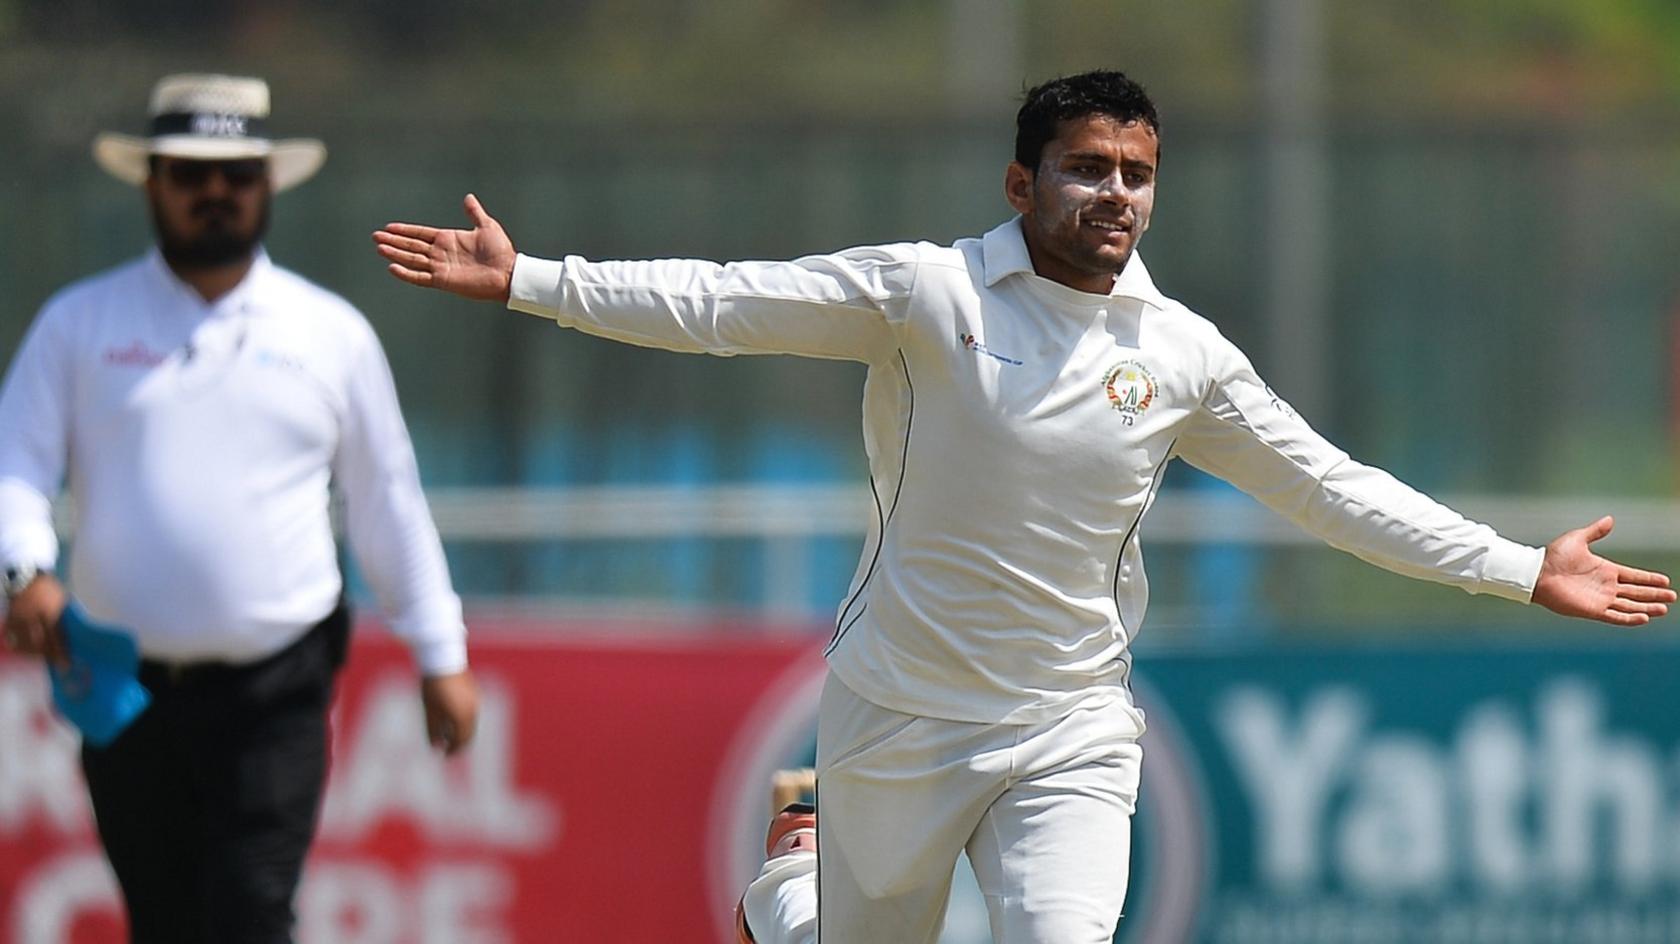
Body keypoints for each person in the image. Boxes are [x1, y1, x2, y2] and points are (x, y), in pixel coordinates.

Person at [371, 70, 1673, 944]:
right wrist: (535, 278)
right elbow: (722, 302)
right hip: (897, 710)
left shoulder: (1181, 353)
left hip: (1070, 726)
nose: (1115, 194)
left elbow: (1328, 488)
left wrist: (1515, 566)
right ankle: (790, 879)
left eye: (1137, 172)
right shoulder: (927, 295)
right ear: (1018, 184)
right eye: (1086, 167)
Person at [0, 73, 479, 944]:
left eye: (237, 175)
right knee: (165, 919)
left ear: (266, 185)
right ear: (152, 184)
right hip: (124, 688)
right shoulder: (79, 324)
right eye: (190, 174)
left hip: (276, 687)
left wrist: (439, 651)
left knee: (251, 909)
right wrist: (24, 568)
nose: (215, 193)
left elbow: (387, 500)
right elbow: (16, 465)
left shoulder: (328, 332)